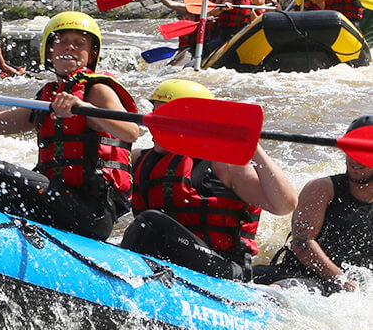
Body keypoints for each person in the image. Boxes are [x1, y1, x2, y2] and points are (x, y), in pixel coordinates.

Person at [0, 12, 139, 239]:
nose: (69, 48)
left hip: (92, 211)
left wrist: (83, 107)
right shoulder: (47, 97)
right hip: (58, 201)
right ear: (49, 51)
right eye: (61, 42)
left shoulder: (97, 90)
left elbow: (130, 131)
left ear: (91, 54)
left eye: (79, 44)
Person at [122, 79, 297, 281]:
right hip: (168, 261)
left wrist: (253, 147)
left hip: (223, 268)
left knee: (149, 223)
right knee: (149, 224)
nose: (151, 124)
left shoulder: (225, 166)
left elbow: (284, 205)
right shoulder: (139, 159)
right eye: (152, 114)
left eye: (162, 118)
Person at [253, 116, 373, 294]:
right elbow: (303, 243)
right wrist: (342, 280)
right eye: (350, 152)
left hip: (353, 292)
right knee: (280, 290)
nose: (354, 161)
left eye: (364, 153)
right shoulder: (322, 189)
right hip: (302, 277)